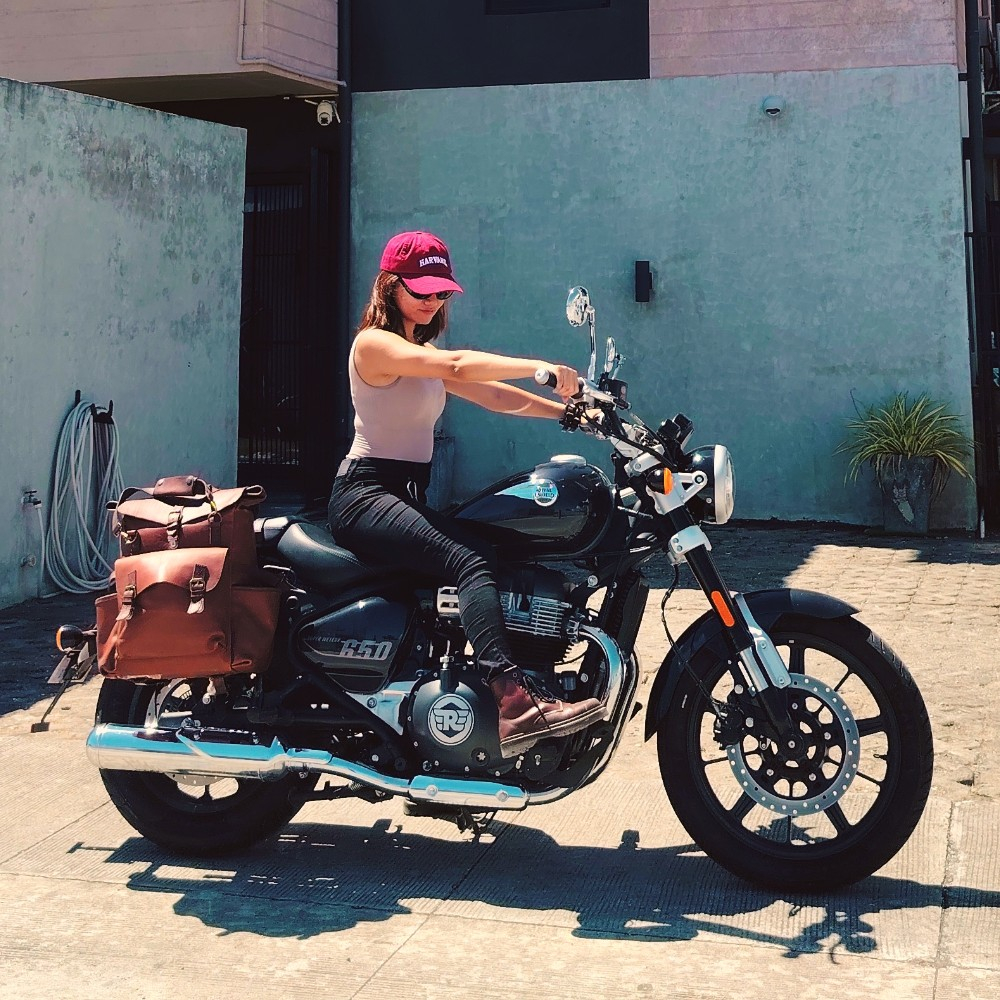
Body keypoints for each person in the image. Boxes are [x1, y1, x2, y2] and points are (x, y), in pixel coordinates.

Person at [327, 231, 607, 759]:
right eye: (421, 289)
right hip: (365, 494)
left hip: (403, 494)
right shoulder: (375, 346)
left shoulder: (421, 355)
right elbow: (458, 367)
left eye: (441, 292)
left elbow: (494, 396)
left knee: (494, 544)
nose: (432, 300)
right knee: (470, 559)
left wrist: (570, 414)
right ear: (390, 286)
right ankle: (514, 703)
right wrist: (542, 370)